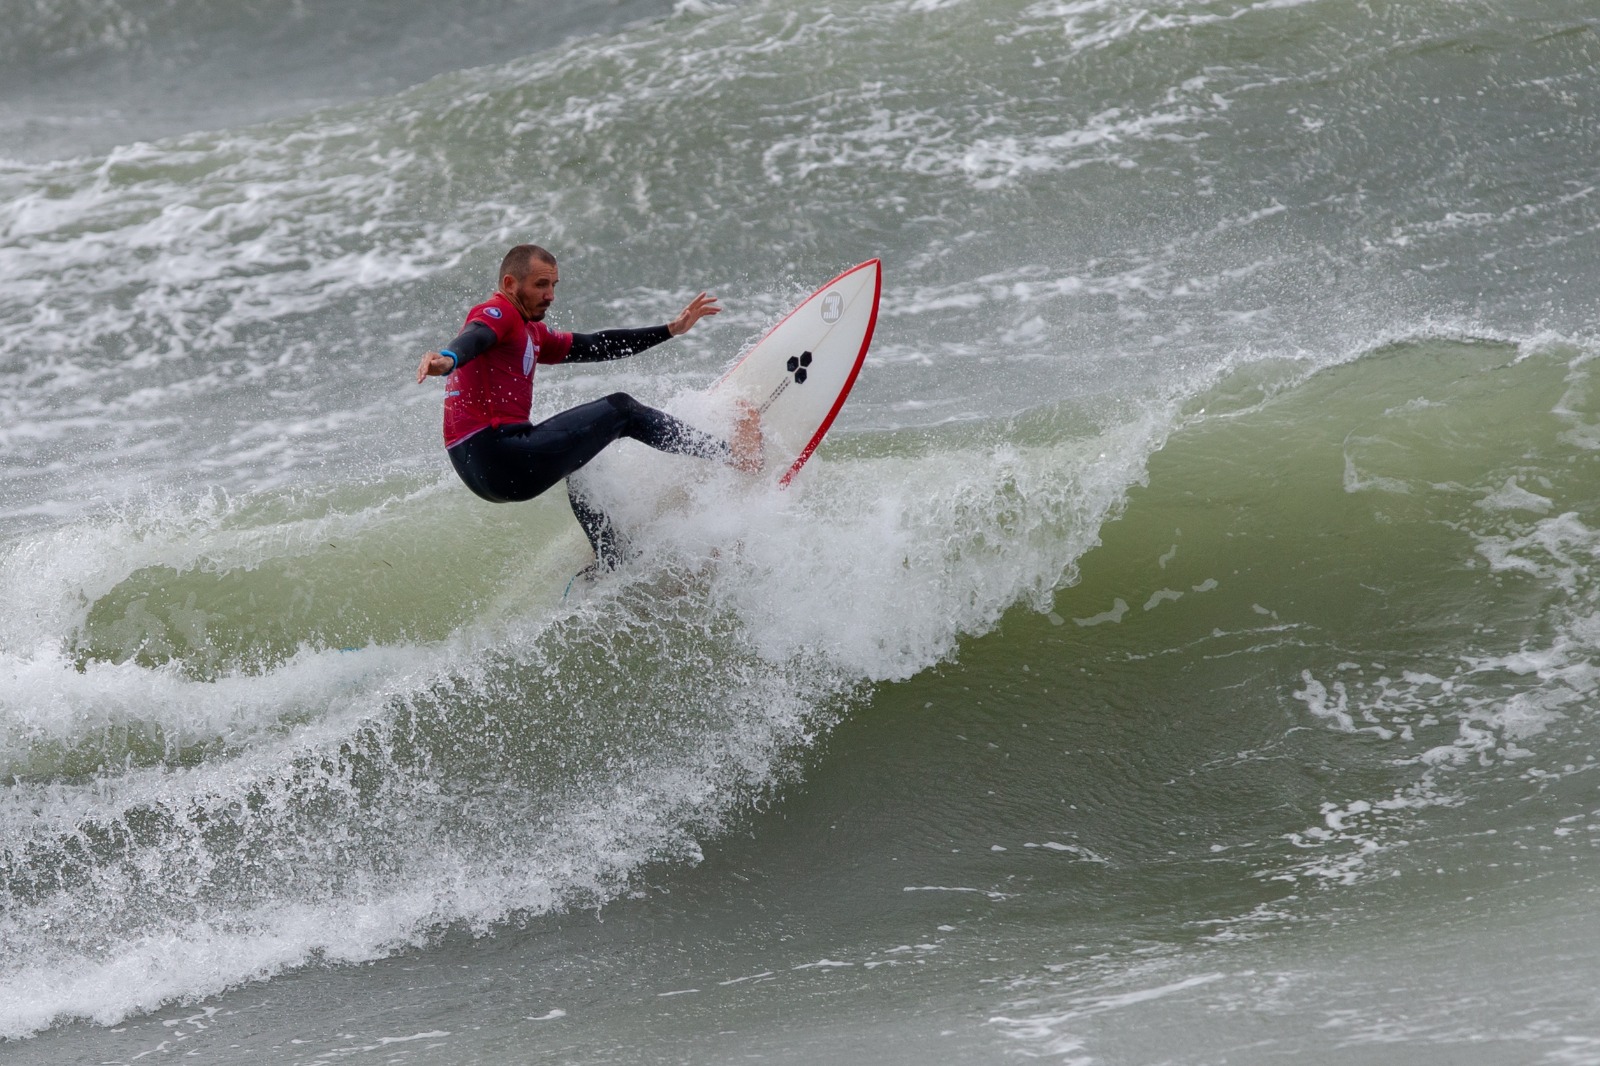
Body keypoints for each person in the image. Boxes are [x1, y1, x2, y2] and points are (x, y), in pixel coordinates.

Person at [416, 244, 760, 569]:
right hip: (500, 453)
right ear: (510, 283)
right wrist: (448, 358)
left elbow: (597, 345)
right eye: (540, 284)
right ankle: (733, 454)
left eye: (553, 284)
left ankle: (611, 560)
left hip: (479, 470)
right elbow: (477, 335)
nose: (550, 294)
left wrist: (670, 329)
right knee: (621, 409)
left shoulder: (530, 333)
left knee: (583, 452)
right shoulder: (500, 312)